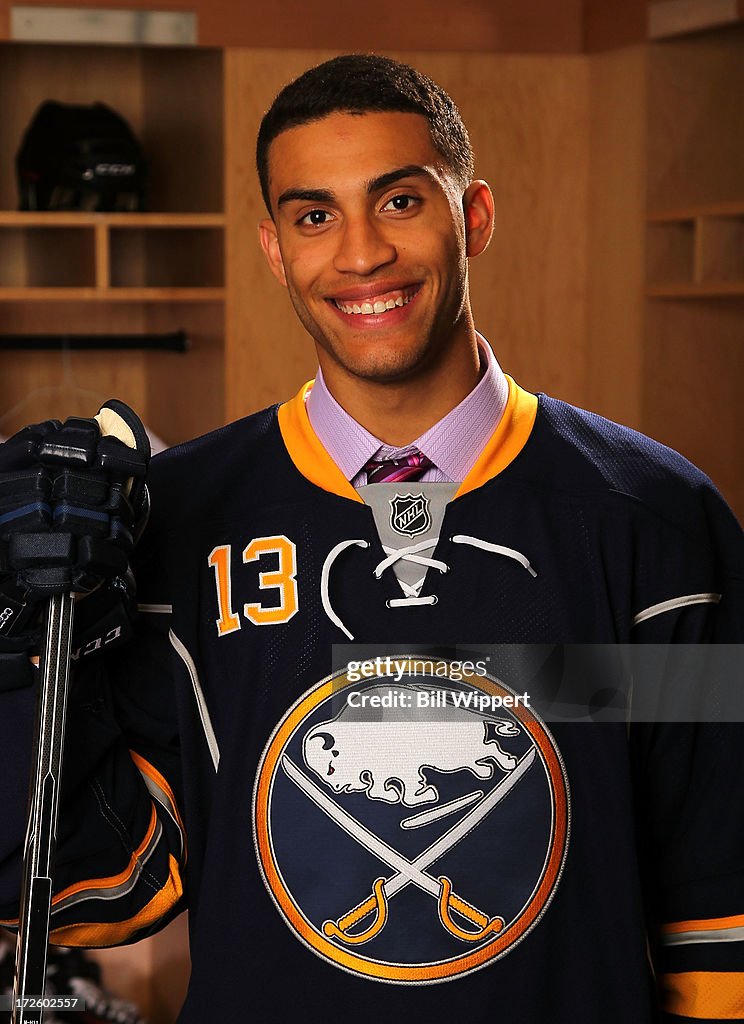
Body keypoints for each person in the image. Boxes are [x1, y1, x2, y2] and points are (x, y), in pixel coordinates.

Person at [1, 54, 743, 1024]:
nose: (360, 255)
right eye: (315, 216)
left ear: (473, 217)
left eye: (398, 202)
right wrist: (25, 651)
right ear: (275, 248)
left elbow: (718, 917)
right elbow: (95, 885)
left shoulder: (658, 526)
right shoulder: (176, 525)